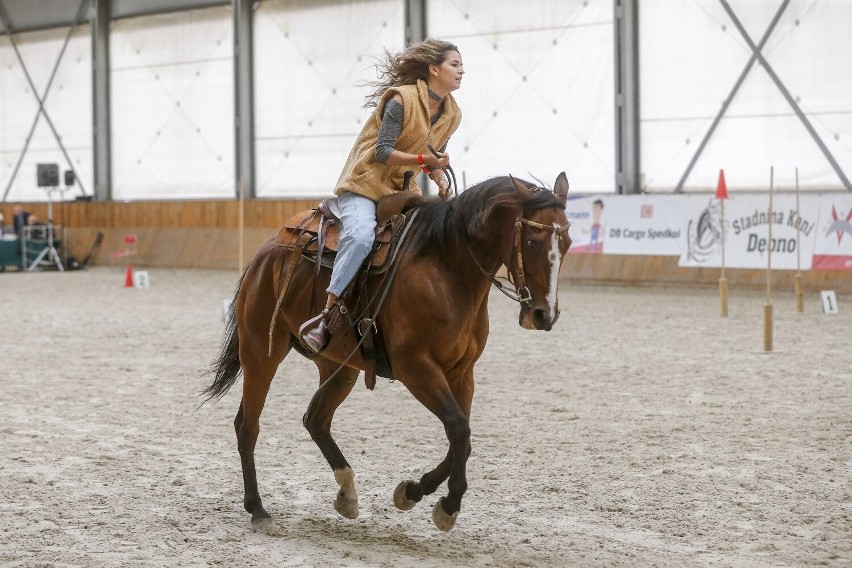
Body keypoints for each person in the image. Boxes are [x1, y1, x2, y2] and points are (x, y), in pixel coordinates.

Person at [301, 38, 465, 353]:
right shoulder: (400, 101)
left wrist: (441, 179)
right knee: (361, 237)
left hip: (403, 191)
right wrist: (424, 162)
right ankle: (327, 315)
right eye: (455, 65)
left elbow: (433, 157)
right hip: (365, 184)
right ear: (434, 69)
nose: (461, 72)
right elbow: (383, 151)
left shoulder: (452, 114)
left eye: (461, 66)